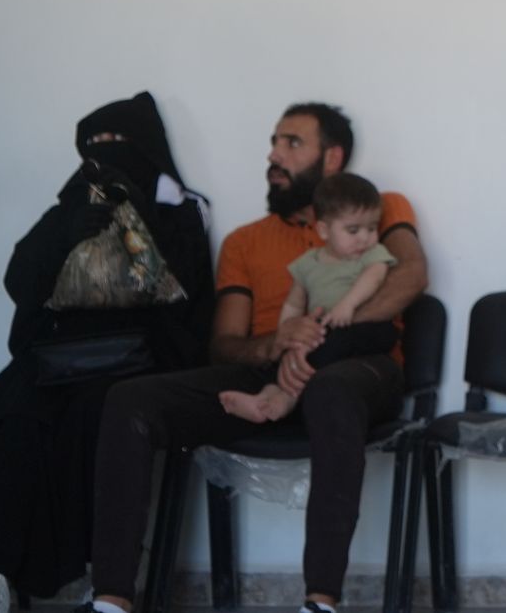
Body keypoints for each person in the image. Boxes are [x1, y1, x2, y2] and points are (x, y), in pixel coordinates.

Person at [83, 103, 428, 613]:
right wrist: (277, 342)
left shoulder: (377, 207)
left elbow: (411, 276)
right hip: (268, 369)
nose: (274, 155)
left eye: (292, 143)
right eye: (273, 142)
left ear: (332, 158)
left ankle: (321, 601)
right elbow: (225, 344)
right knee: (130, 399)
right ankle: (111, 601)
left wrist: (322, 338)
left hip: (360, 365)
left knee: (331, 388)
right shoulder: (245, 241)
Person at [0, 92, 212, 601]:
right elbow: (21, 281)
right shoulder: (68, 208)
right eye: (96, 142)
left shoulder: (179, 215)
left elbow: (188, 300)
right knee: (6, 417)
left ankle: (94, 572)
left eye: (118, 139)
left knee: (95, 421)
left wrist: (138, 223)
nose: (106, 150)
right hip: (58, 357)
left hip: (140, 357)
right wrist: (66, 234)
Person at [220, 173, 398, 423]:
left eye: (372, 228)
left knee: (327, 342)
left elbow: (375, 277)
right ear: (324, 230)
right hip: (325, 332)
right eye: (353, 230)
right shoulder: (307, 263)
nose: (365, 238)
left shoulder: (372, 254)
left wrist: (348, 304)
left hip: (365, 329)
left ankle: (287, 397)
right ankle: (269, 394)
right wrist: (288, 335)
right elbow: (294, 303)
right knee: (299, 350)